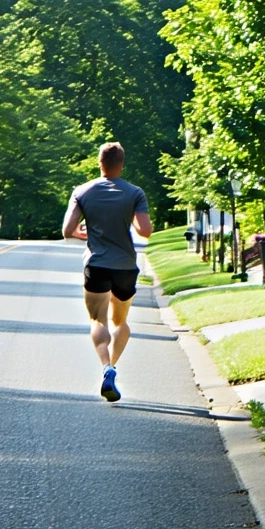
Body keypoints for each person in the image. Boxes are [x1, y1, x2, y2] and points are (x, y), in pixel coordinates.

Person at [62, 142, 153, 402]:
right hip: (125, 266)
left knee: (98, 321)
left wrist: (82, 234)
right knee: (120, 322)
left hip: (97, 264)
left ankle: (106, 367)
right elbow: (144, 230)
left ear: (99, 163)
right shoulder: (135, 192)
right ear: (122, 164)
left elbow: (68, 230)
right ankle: (113, 367)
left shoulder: (83, 191)